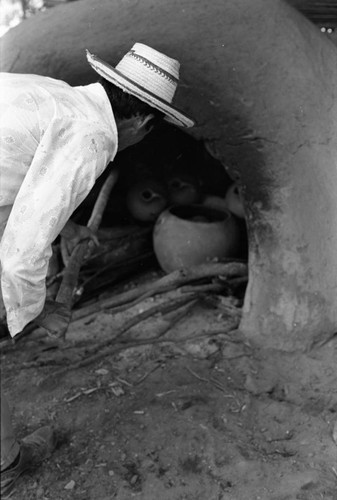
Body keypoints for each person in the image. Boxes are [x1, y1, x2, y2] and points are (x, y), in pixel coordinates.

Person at [0, 42, 195, 498]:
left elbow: (23, 174)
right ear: (146, 123)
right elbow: (20, 250)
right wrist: (38, 311)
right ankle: (6, 466)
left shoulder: (61, 96)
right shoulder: (93, 135)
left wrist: (66, 228)